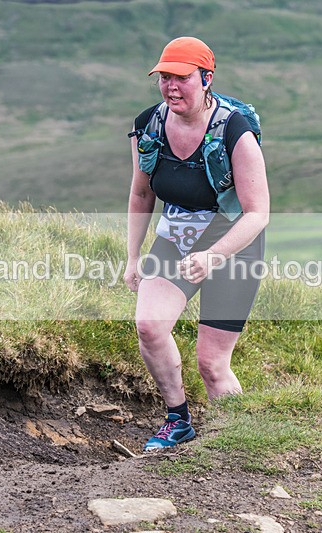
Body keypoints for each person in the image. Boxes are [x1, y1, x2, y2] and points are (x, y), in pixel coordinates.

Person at [124, 36, 270, 452]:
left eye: (182, 78)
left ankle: (239, 445)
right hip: (177, 234)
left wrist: (213, 256)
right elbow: (141, 193)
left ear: (206, 79)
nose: (171, 87)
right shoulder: (148, 126)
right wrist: (133, 257)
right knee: (150, 327)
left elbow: (258, 212)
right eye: (164, 78)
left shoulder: (235, 131)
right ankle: (178, 421)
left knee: (211, 364)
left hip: (233, 242)